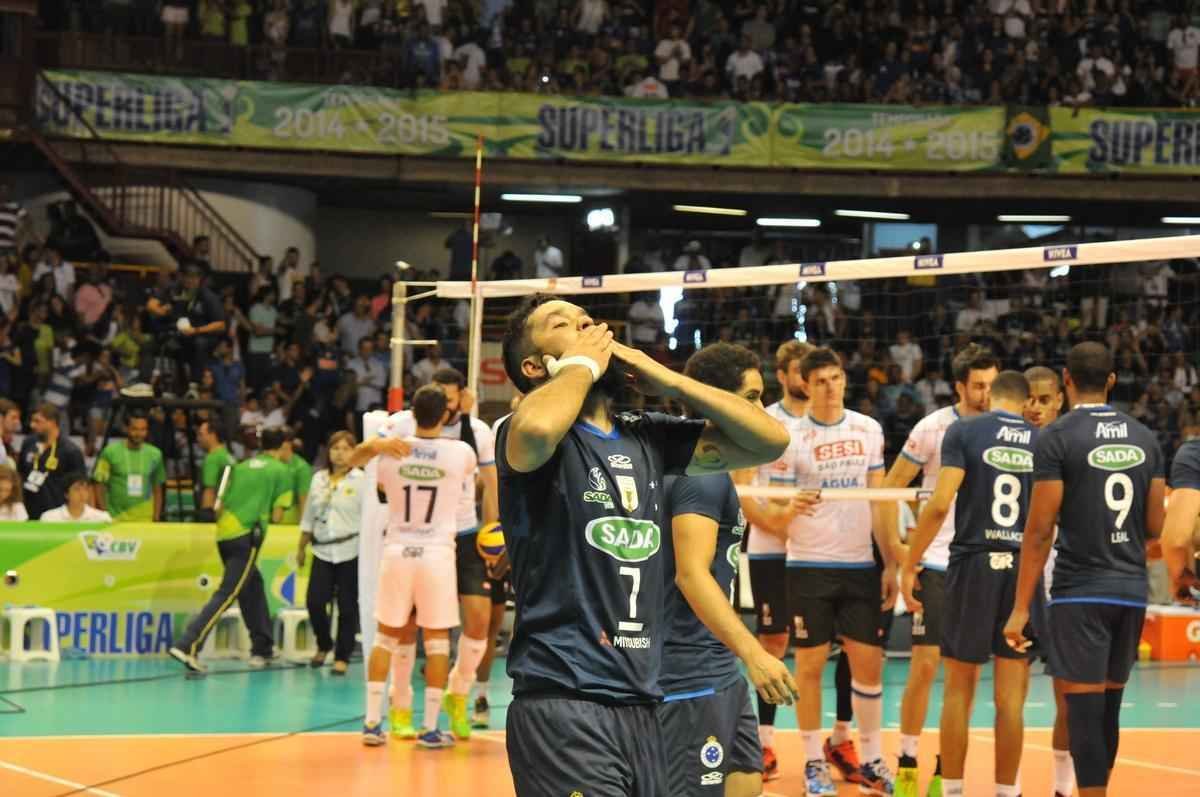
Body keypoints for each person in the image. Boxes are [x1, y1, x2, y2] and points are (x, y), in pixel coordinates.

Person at [497, 295, 788, 796]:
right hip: (564, 700)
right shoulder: (528, 435)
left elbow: (769, 441)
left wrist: (665, 376)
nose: (588, 328)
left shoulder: (646, 437)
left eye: (588, 321)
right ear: (533, 365)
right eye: (563, 324)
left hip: (644, 699)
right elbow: (538, 425)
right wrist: (582, 366)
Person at [1004, 342, 1166, 797]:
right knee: (1108, 710)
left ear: (1066, 380)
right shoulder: (1146, 438)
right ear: (1112, 380)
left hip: (1080, 593)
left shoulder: (1057, 438)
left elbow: (1038, 532)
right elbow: (1155, 525)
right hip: (1130, 592)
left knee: (1083, 712)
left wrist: (1020, 609)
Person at [660, 342, 801, 797]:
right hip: (686, 672)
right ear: (715, 400)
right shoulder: (698, 474)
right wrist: (755, 653)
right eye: (752, 397)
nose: (762, 409)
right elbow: (691, 574)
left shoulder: (711, 468)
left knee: (745, 782)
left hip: (719, 668)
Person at [902, 371, 1037, 797]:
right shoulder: (1043, 440)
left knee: (959, 688)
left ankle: (954, 790)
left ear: (991, 397)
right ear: (1026, 400)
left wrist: (910, 562)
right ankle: (1007, 792)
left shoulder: (965, 430)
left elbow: (940, 503)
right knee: (1011, 698)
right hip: (1021, 570)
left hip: (974, 563)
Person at [774, 346, 901, 797]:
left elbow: (882, 503)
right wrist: (788, 508)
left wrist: (892, 563)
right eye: (822, 380)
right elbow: (774, 508)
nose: (831, 386)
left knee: (868, 665)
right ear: (805, 384)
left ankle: (870, 759)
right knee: (808, 665)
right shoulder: (789, 437)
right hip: (808, 564)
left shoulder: (868, 429)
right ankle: (812, 763)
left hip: (859, 565)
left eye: (837, 377)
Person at [353, 366, 500, 732]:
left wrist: (493, 530)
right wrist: (378, 445)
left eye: (455, 397)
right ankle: (400, 703)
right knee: (407, 626)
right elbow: (360, 456)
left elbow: (492, 484)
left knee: (479, 620)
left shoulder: (476, 431)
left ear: (463, 397)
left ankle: (459, 692)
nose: (450, 404)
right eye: (444, 397)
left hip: (465, 534)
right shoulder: (402, 423)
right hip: (425, 536)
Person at [887, 343, 999, 795]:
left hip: (981, 562)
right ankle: (908, 759)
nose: (987, 394)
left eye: (992, 385)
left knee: (964, 672)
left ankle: (945, 766)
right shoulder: (933, 428)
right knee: (926, 665)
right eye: (978, 386)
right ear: (958, 386)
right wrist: (900, 546)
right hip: (935, 562)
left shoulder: (1003, 429)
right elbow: (891, 486)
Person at [735, 338, 812, 782]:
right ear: (782, 376)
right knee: (774, 642)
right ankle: (763, 743)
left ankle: (834, 742)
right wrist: (779, 524)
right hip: (770, 549)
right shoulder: (763, 422)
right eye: (801, 372)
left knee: (829, 645)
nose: (808, 380)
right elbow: (743, 494)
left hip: (822, 553)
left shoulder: (828, 424)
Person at [169, 428, 295, 673]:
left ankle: (263, 647)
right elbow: (278, 514)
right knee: (228, 593)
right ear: (283, 447)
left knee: (252, 587)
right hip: (246, 536)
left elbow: (218, 503)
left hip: (224, 533)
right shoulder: (282, 471)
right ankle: (188, 644)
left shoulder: (240, 466)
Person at [1022, 365, 1073, 797]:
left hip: (1060, 583)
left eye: (1044, 399)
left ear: (1060, 399)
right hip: (1013, 580)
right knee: (1008, 696)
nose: (1035, 408)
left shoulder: (1072, 445)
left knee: (1067, 695)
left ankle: (1061, 788)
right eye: (1029, 400)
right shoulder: (1008, 446)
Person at [298, 431, 363, 676]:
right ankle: (324, 644)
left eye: (346, 448)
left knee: (347, 607)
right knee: (315, 602)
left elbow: (370, 518)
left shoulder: (361, 480)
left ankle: (342, 656)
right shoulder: (318, 479)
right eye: (335, 448)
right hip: (322, 549)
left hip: (351, 550)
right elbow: (308, 516)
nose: (340, 453)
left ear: (354, 451)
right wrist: (301, 546)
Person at [93, 412, 166, 522]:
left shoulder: (155, 454)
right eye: (135, 429)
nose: (139, 433)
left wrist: (156, 516)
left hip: (145, 520)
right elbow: (99, 484)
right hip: (116, 519)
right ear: (126, 428)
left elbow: (158, 489)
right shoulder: (110, 452)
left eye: (143, 429)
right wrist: (104, 513)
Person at [18, 403, 86, 520]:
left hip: (56, 516)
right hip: (27, 513)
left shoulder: (70, 451)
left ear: (52, 422)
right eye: (32, 421)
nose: (32, 425)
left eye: (37, 421)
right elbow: (20, 475)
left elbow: (79, 486)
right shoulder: (28, 443)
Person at [196, 418, 235, 521]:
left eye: (201, 434)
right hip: (230, 512)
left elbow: (209, 490)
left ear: (212, 435)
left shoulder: (213, 458)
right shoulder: (228, 456)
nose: (198, 438)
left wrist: (206, 517)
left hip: (216, 513)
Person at [41, 472, 113, 522]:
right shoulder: (49, 518)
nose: (82, 493)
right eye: (77, 489)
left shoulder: (102, 518)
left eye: (85, 489)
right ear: (66, 494)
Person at [279, 428, 313, 525]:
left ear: (289, 443)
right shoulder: (272, 463)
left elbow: (304, 500)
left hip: (291, 521)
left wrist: (304, 527)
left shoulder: (301, 467)